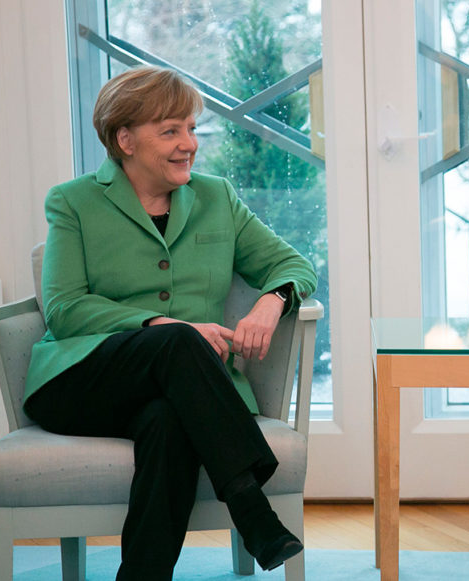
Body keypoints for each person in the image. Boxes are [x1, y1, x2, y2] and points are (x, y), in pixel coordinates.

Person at [22, 66, 317, 580]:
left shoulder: (215, 197)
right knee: (177, 338)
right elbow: (65, 309)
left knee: (168, 420)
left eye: (192, 128)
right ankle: (251, 507)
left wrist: (270, 303)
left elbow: (295, 266)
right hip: (82, 382)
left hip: (182, 391)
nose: (189, 144)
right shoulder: (73, 202)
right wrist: (159, 323)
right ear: (125, 139)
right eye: (171, 131)